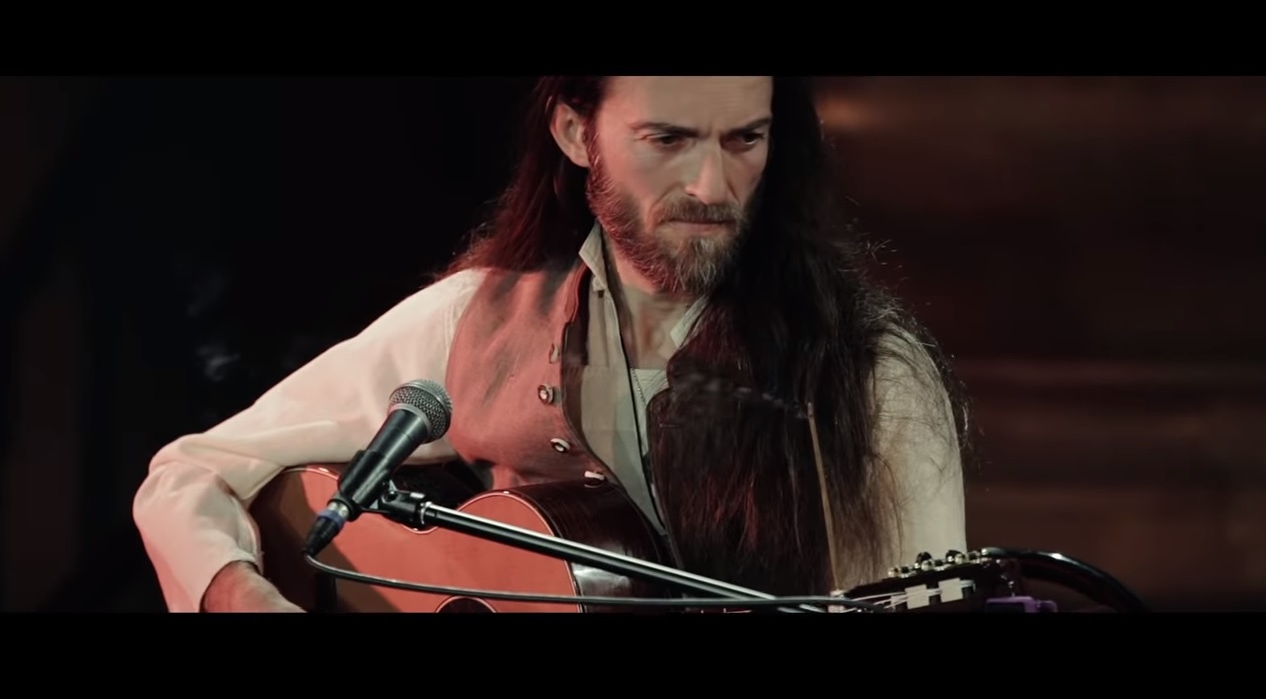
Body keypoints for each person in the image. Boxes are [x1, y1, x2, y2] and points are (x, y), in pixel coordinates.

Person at [132, 76, 971, 613]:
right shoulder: (475, 319)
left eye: (743, 140)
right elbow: (192, 471)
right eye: (668, 140)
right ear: (576, 133)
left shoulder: (868, 372)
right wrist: (236, 593)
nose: (711, 186)